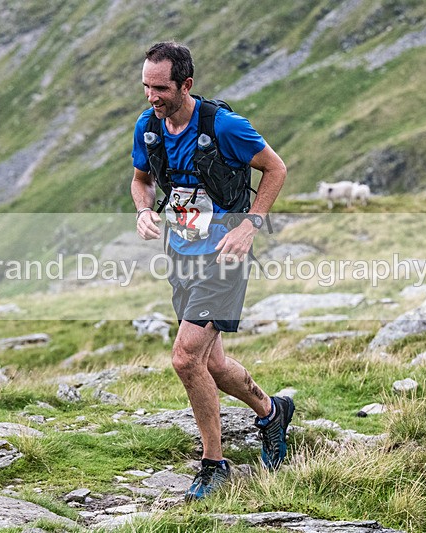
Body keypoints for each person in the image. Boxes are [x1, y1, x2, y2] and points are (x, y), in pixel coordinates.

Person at [130, 41, 293, 501]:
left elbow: (275, 169)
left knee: (184, 358)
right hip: (181, 255)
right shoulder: (148, 126)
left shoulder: (224, 126)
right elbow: (141, 180)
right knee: (213, 365)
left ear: (187, 84)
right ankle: (271, 411)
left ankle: (214, 464)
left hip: (224, 256)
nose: (151, 96)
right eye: (145, 86)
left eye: (160, 87)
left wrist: (250, 225)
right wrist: (143, 211)